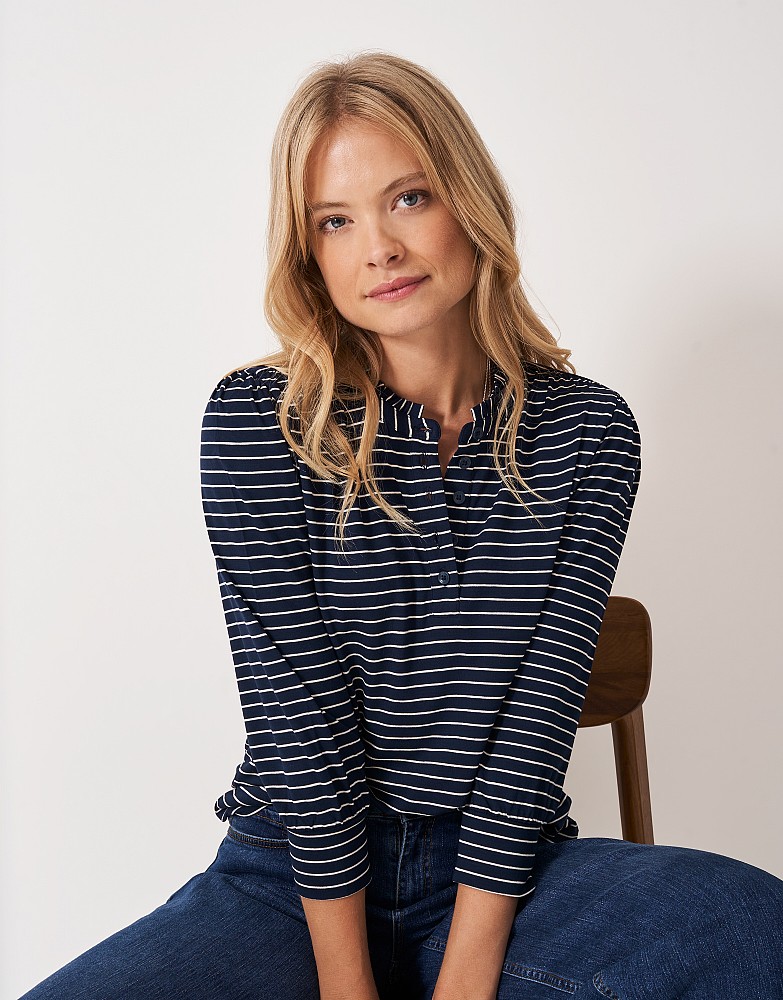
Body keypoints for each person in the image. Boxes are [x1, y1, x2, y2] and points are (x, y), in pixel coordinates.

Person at [20, 50, 783, 1000]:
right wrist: (351, 990)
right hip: (287, 880)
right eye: (333, 221)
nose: (376, 245)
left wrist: (466, 977)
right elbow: (300, 721)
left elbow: (535, 721)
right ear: (309, 256)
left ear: (468, 201)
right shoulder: (261, 425)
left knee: (756, 930)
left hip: (509, 876)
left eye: (408, 198)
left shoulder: (589, 433)